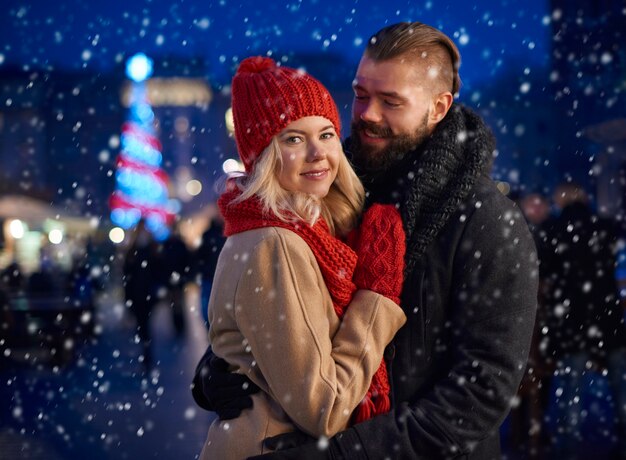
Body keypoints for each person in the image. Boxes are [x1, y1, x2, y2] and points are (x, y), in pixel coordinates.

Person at [193, 21, 539, 459]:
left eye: (390, 101)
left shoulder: (487, 220)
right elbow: (284, 309)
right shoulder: (329, 189)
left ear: (438, 107)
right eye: (360, 95)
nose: (368, 114)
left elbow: (482, 390)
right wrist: (220, 367)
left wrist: (348, 452)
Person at [197, 56, 407, 460]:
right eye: (292, 139)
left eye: (326, 134)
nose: (317, 153)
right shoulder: (277, 242)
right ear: (263, 156)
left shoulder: (308, 229)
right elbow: (324, 410)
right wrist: (377, 296)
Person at [540, 182, 626, 458]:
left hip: (573, 318)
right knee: (620, 384)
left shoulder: (554, 230)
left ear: (562, 198)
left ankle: (568, 448)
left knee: (570, 387)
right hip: (607, 315)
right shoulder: (604, 226)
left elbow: (546, 272)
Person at [123, 219, 160, 371]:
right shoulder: (135, 251)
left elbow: (159, 269)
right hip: (139, 294)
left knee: (145, 326)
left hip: (146, 294)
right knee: (143, 326)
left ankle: (147, 354)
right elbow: (127, 275)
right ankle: (146, 354)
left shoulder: (149, 250)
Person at [193, 215, 226, 329]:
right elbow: (199, 257)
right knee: (209, 310)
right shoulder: (208, 235)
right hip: (209, 278)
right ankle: (212, 333)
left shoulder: (228, 233)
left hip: (221, 279)